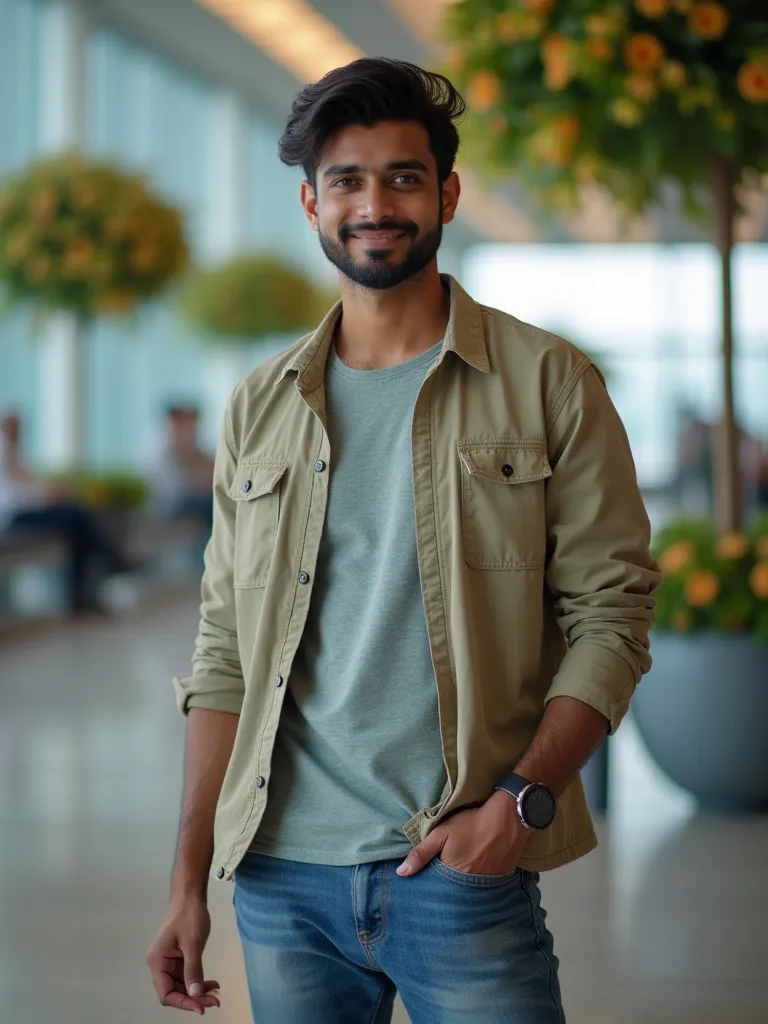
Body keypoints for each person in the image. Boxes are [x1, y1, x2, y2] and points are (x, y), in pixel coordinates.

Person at [147, 59, 662, 1023]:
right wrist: (186, 883)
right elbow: (223, 657)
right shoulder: (260, 406)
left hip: (459, 871)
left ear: (448, 194)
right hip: (279, 882)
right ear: (311, 203)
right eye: (347, 179)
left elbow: (613, 616)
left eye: (403, 176)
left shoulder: (549, 382)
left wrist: (519, 803)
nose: (374, 202)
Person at [0, 412, 142, 614]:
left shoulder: (16, 453)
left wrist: (50, 493)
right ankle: (112, 560)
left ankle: (82, 595)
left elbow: (28, 485)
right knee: (77, 517)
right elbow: (17, 493)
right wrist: (47, 494)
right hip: (15, 517)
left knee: (76, 532)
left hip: (27, 511)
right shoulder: (4, 449)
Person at [148, 405, 214, 532]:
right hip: (170, 503)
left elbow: (210, 466)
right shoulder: (168, 443)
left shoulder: (180, 442)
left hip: (180, 499)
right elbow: (185, 482)